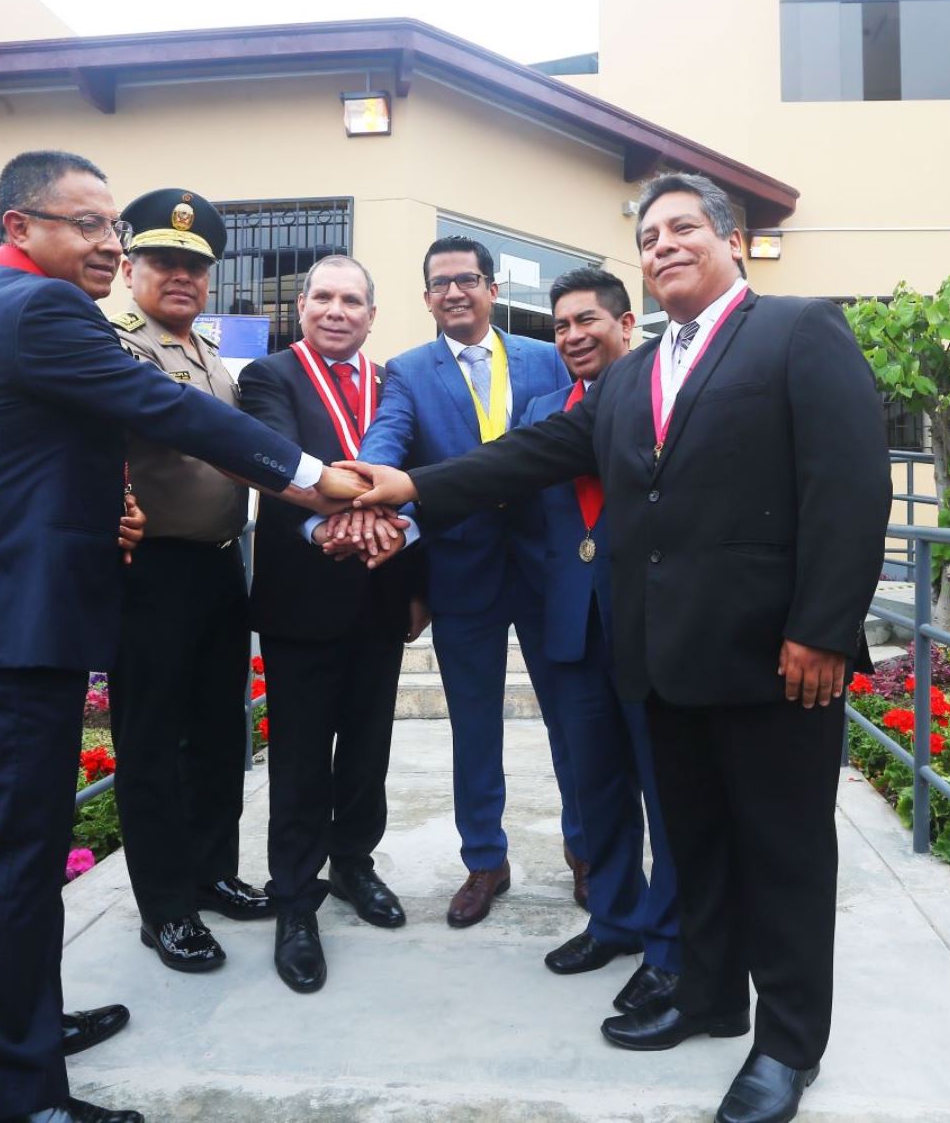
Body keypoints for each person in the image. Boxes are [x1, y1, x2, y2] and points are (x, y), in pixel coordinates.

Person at [345, 174, 892, 1123]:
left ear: (731, 240)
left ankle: (788, 1046)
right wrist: (407, 487)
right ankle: (713, 997)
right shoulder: (632, 377)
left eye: (685, 227)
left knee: (785, 857)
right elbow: (529, 458)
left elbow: (851, 489)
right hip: (664, 659)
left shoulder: (799, 332)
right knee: (701, 844)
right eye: (650, 235)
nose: (665, 243)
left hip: (776, 661)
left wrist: (822, 629)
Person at [0, 150, 365, 1123]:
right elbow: (161, 409)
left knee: (25, 866)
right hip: (11, 627)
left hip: (15, 613)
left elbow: (51, 450)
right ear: (20, 228)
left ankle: (22, 1036)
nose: (106, 243)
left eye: (109, 226)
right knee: (9, 869)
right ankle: (5, 1098)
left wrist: (107, 502)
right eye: (85, 224)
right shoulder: (40, 311)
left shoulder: (7, 308)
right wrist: (313, 478)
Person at [354, 235, 584, 928]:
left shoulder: (549, 359)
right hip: (463, 576)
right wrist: (365, 486)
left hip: (551, 573)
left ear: (491, 289)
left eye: (467, 280)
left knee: (572, 722)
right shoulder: (409, 371)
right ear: (426, 299)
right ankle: (485, 861)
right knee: (474, 727)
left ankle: (588, 854)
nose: (454, 292)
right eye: (440, 284)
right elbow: (387, 442)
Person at [237, 254, 426, 993]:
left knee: (368, 749)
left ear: (373, 315)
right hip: (302, 598)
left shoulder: (396, 384)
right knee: (302, 757)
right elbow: (279, 465)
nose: (337, 310)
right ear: (302, 307)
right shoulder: (270, 379)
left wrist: (407, 560)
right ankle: (295, 899)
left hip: (381, 593)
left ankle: (353, 862)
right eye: (323, 297)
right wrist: (334, 529)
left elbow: (415, 471)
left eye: (352, 299)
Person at [106, 187, 274, 976]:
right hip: (154, 573)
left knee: (217, 733)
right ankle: (165, 907)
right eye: (165, 262)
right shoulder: (114, 342)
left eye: (195, 267)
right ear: (131, 266)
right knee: (152, 745)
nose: (182, 278)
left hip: (218, 566)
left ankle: (211, 872)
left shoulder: (208, 352)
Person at [523, 268, 681, 1017]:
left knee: (667, 789)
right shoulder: (542, 409)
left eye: (587, 320)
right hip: (572, 627)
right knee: (597, 787)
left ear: (626, 325)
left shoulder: (667, 398)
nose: (573, 335)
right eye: (560, 326)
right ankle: (613, 919)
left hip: (652, 627)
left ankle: (670, 944)